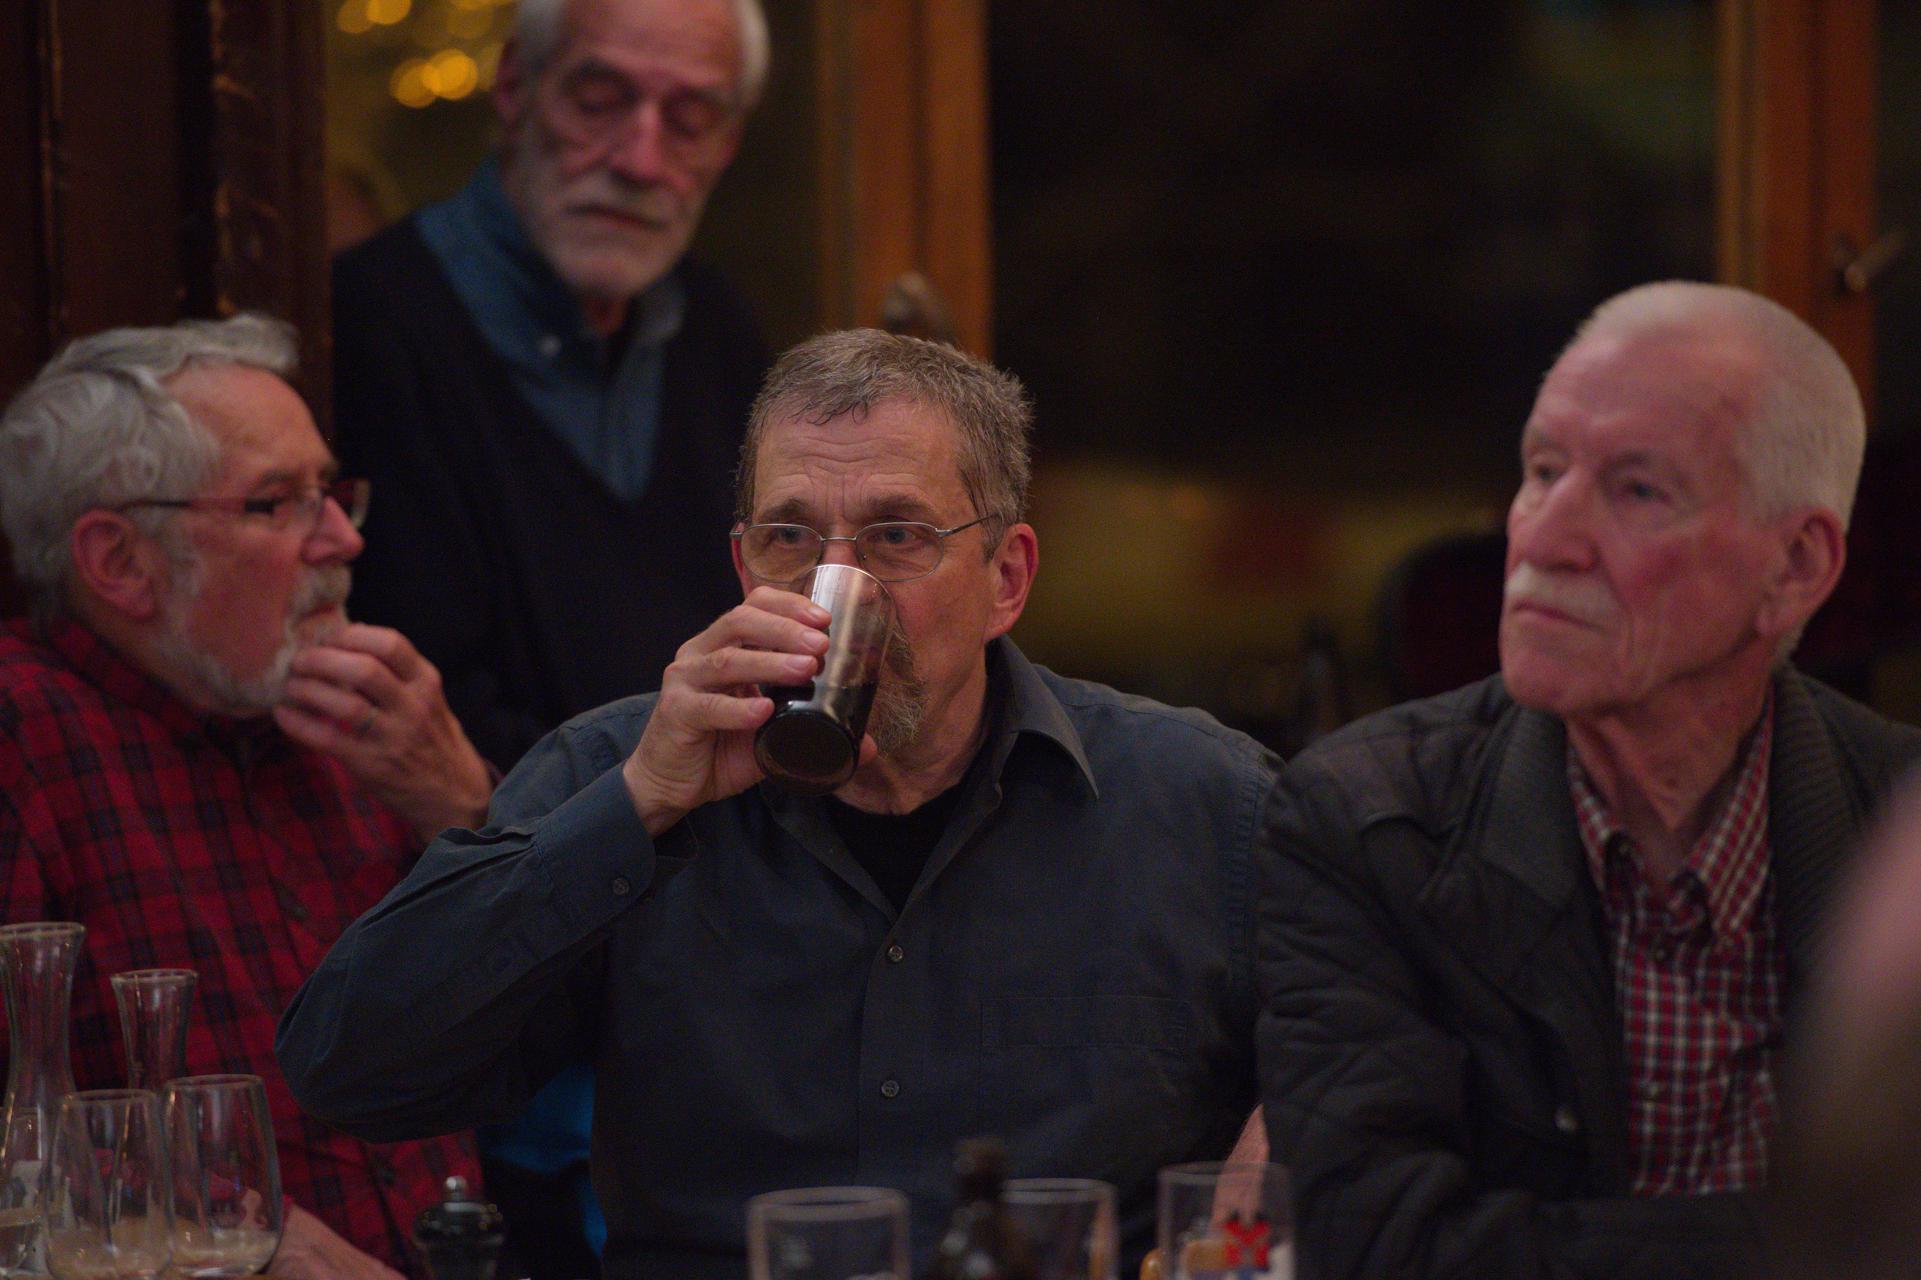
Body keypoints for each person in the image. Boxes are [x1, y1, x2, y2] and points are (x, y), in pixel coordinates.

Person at [278, 330, 1279, 1279]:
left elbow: (1351, 1058)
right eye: (790, 536)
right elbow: (348, 1070)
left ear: (1005, 578)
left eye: (895, 535)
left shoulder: (1197, 800)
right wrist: (640, 803)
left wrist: (1278, 1144)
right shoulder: (618, 767)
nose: (835, 584)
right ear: (743, 568)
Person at [1255, 281, 1921, 1280]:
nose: (1542, 538)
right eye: (1542, 470)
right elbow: (1377, 1249)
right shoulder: (1361, 822)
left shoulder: (1900, 838)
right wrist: (1807, 1242)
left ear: (1794, 565)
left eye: (1637, 490)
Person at [0, 316, 491, 1280]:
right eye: (278, 504)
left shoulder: (349, 714)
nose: (343, 537)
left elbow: (555, 1025)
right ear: (120, 563)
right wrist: (230, 1230)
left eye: (332, 493)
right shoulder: (22, 727)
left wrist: (467, 812)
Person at [331, 0, 771, 772]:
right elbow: (419, 729)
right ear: (514, 88)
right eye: (597, 101)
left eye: (690, 120)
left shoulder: (717, 329)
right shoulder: (362, 326)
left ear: (729, 145)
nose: (640, 161)